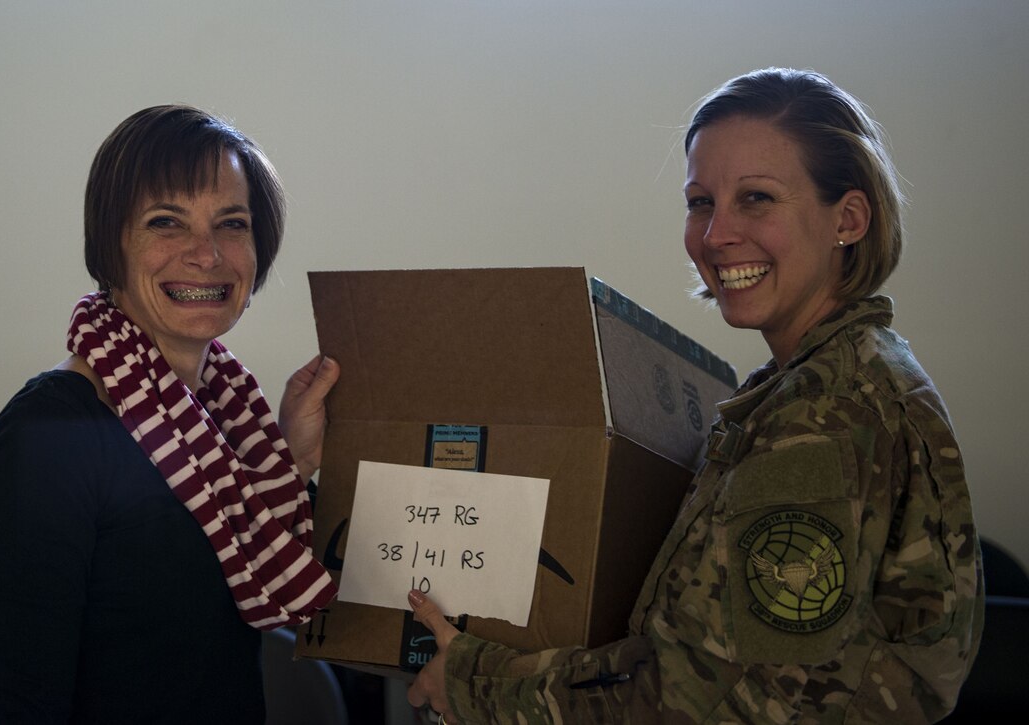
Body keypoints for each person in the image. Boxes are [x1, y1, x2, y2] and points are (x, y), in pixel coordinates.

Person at [405, 68, 984, 723]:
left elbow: (708, 706)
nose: (715, 235)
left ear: (847, 219)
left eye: (756, 198)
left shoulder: (821, 416)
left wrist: (474, 683)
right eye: (701, 202)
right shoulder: (817, 380)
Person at [0, 105, 340, 723]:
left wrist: (292, 460)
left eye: (232, 223)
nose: (206, 254)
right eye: (166, 222)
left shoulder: (227, 419)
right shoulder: (45, 439)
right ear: (111, 244)